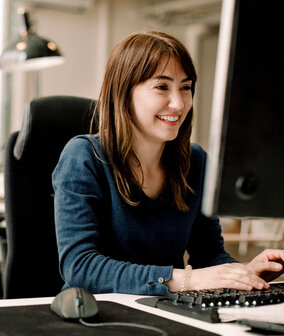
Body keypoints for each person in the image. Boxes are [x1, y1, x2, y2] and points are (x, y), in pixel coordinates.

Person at [52, 30, 284, 296]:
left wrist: (243, 273)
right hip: (96, 313)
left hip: (165, 311)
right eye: (162, 87)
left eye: (186, 88)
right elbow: (80, 267)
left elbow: (209, 255)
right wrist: (185, 280)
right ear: (123, 93)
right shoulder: (83, 157)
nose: (178, 103)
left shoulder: (196, 162)